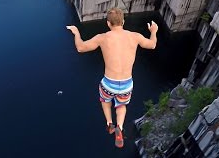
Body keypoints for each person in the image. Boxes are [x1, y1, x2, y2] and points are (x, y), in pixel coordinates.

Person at [66, 8, 158, 148]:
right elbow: (152, 45)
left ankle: (109, 123)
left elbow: (81, 48)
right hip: (127, 84)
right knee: (121, 106)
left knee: (105, 100)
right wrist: (153, 31)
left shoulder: (102, 38)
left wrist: (76, 32)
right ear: (123, 22)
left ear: (108, 23)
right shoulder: (135, 36)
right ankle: (119, 128)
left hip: (109, 83)